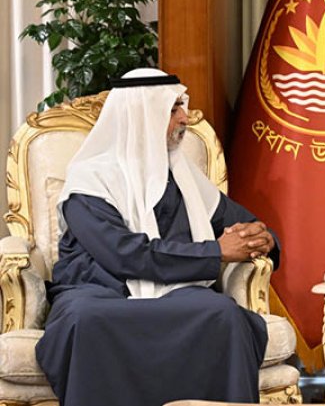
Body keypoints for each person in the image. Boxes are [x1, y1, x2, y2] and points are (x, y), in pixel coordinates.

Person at [35, 68, 280, 406]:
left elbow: (240, 221)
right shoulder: (88, 182)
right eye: (173, 109)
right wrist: (216, 253)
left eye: (182, 107)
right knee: (85, 320)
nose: (184, 118)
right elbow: (124, 255)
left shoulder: (182, 174)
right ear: (142, 116)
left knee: (223, 314)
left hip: (175, 290)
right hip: (101, 291)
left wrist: (262, 238)